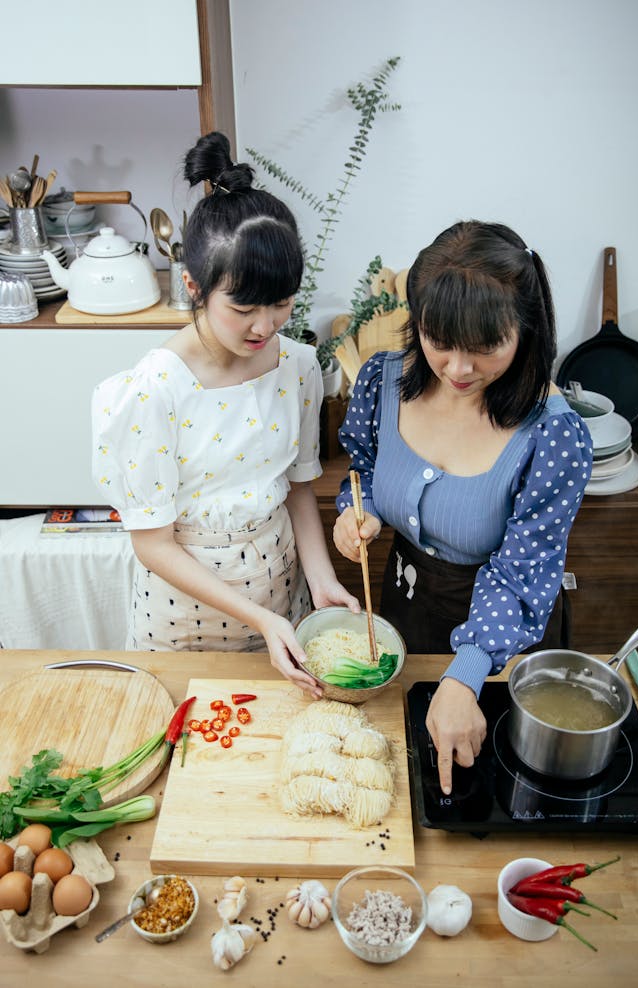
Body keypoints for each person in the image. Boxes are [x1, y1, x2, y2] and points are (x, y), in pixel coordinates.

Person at [92, 131, 358, 694]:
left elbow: (298, 485)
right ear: (194, 286)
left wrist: (321, 577)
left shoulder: (300, 366)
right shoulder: (154, 391)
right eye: (243, 308)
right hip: (183, 618)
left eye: (282, 303)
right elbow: (152, 543)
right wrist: (257, 617)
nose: (265, 326)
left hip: (282, 593)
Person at [333, 220, 592, 792]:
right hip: (405, 610)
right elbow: (363, 469)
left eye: (484, 349)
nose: (457, 370)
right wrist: (358, 513)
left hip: (502, 634)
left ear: (526, 330)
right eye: (439, 342)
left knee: (489, 785)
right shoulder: (384, 380)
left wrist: (467, 674)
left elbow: (523, 569)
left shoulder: (553, 436)